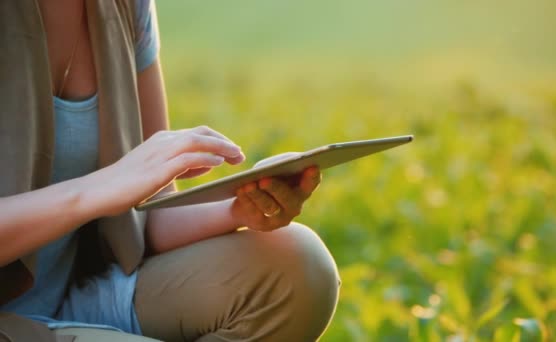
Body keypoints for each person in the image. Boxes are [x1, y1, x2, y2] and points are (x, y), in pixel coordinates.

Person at [0, 0, 340, 341]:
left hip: (75, 296)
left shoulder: (129, 7)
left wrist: (241, 208)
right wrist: (94, 191)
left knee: (298, 266)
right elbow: (109, 187)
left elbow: (147, 218)